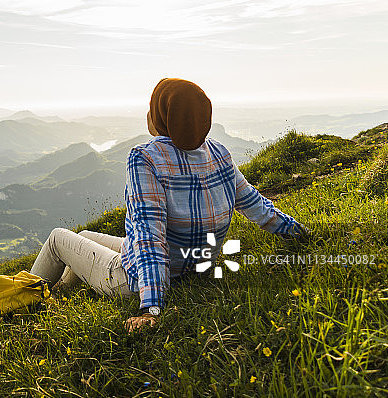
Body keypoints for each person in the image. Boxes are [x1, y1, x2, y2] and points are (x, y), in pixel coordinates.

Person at [30, 78, 308, 332]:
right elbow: (255, 205)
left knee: (57, 239)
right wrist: (299, 232)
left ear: (163, 117)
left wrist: (150, 307)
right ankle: (56, 295)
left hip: (136, 279)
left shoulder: (146, 158)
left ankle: (23, 300)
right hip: (196, 264)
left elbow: (149, 235)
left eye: (153, 108)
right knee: (83, 238)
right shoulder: (218, 153)